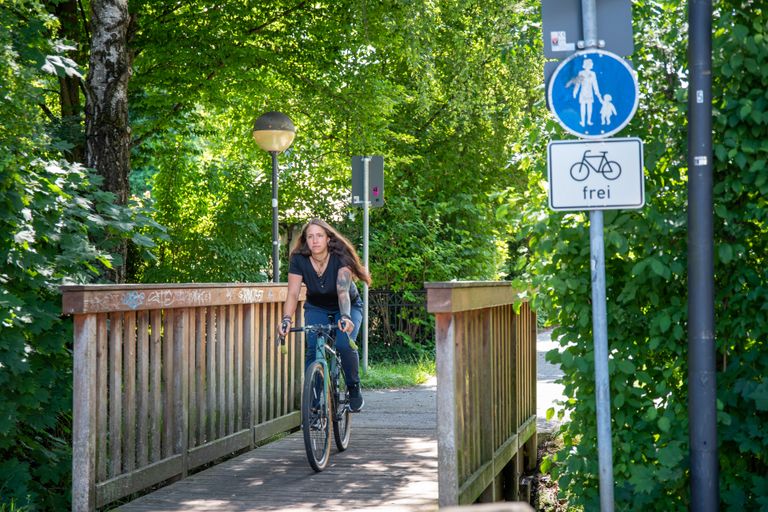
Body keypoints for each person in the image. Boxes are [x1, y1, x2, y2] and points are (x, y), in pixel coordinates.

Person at [278, 218, 371, 412]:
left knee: (344, 344)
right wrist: (286, 319)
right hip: (317, 307)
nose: (315, 240)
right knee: (313, 349)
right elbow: (293, 293)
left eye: (319, 235)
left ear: (328, 238)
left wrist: (345, 317)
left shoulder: (340, 256)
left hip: (346, 306)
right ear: (305, 240)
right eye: (310, 236)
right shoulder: (298, 259)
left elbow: (343, 292)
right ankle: (313, 405)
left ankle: (353, 388)